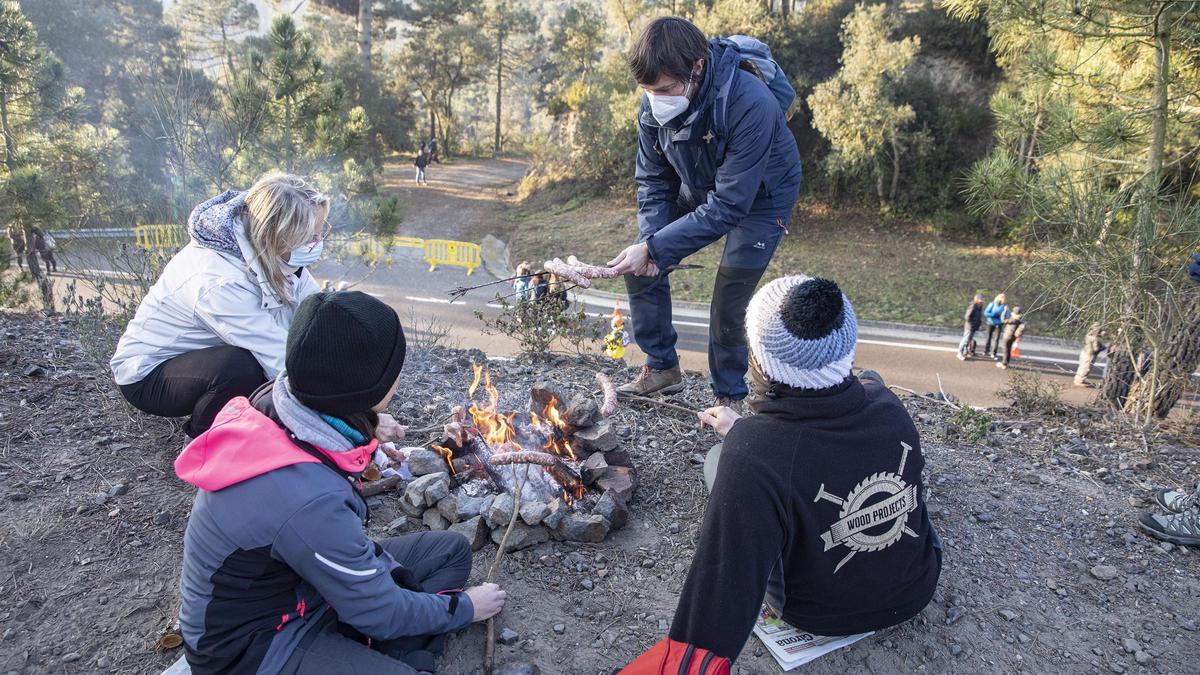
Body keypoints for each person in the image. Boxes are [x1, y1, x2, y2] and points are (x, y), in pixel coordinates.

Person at [176, 291, 507, 674]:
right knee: (400, 622)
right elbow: (379, 609)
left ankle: (378, 648)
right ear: (370, 388)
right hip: (254, 647)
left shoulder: (280, 402)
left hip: (301, 587)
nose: (399, 375)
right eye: (394, 367)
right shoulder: (306, 499)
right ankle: (394, 654)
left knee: (450, 551)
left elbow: (325, 457)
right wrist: (466, 608)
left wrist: (371, 436)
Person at [623, 275, 940, 670]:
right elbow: (816, 447)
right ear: (847, 349)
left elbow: (722, 590)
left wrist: (744, 442)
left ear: (759, 361)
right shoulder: (888, 406)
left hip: (817, 613)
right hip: (917, 586)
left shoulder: (752, 453)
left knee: (718, 462)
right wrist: (749, 435)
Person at [607, 17, 803, 409]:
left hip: (761, 197)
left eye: (664, 89)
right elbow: (652, 180)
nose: (655, 99)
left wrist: (658, 247)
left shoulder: (752, 103)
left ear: (697, 66)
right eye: (647, 91)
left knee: (730, 298)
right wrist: (651, 244)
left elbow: (731, 204)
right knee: (639, 261)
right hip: (698, 183)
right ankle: (662, 367)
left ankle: (728, 396)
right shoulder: (653, 103)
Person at [110, 173, 329, 437]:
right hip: (149, 374)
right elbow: (279, 360)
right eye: (309, 237)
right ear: (275, 234)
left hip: (208, 353)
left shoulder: (275, 255)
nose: (317, 244)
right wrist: (350, 419)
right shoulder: (217, 280)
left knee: (261, 367)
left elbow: (319, 317)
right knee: (242, 369)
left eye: (320, 232)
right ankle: (203, 441)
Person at [957, 293, 984, 361]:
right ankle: (960, 352)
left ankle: (965, 352)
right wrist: (971, 324)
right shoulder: (973, 306)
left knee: (969, 340)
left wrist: (978, 324)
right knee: (965, 340)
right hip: (970, 326)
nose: (982, 300)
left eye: (982, 299)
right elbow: (967, 316)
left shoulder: (979, 306)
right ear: (977, 299)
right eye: (980, 299)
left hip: (974, 326)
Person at [982, 293, 1009, 359]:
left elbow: (1007, 316)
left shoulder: (1005, 307)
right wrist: (993, 315)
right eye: (1001, 297)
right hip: (990, 323)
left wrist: (1002, 319)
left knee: (996, 339)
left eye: (1003, 298)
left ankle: (994, 353)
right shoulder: (992, 304)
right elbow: (986, 313)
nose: (1002, 299)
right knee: (988, 337)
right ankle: (986, 351)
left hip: (998, 324)